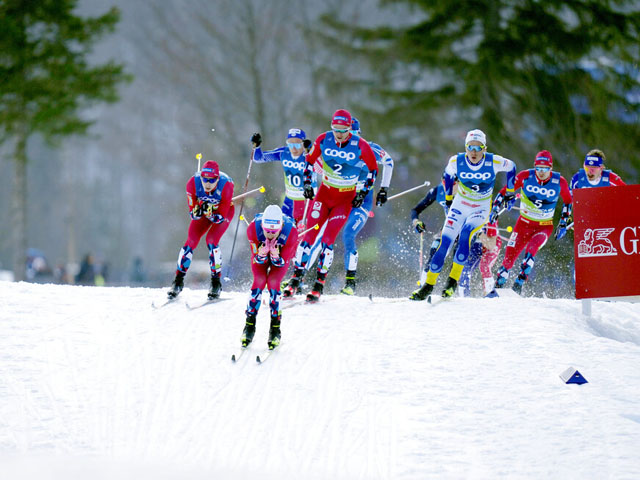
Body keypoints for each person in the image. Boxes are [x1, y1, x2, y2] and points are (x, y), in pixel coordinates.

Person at [282, 108, 378, 302]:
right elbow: (308, 162)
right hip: (324, 195)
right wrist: (307, 184)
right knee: (308, 237)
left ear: (350, 129)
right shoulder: (323, 139)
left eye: (343, 130)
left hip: (344, 200)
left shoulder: (361, 145)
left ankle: (319, 284)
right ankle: (295, 279)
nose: (339, 134)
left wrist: (363, 192)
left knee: (327, 240)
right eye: (335, 129)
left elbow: (373, 170)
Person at [410, 129, 517, 300]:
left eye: (478, 148)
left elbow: (511, 166)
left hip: (480, 208)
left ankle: (452, 282)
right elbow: (447, 174)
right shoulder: (456, 161)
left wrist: (510, 192)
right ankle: (428, 286)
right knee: (444, 242)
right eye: (470, 147)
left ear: (484, 148)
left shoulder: (493, 161)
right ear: (465, 147)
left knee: (466, 234)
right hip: (460, 204)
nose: (474, 152)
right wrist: (449, 198)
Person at [314, 116, 395, 296]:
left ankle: (351, 283)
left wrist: (383, 190)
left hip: (361, 202)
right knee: (320, 233)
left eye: (353, 134)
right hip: (340, 199)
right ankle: (306, 278)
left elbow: (389, 161)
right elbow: (319, 166)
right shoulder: (337, 147)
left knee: (348, 234)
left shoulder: (369, 148)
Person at [486, 150, 572, 296]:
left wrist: (564, 222)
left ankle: (519, 284)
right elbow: (504, 190)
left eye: (545, 169)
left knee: (530, 251)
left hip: (543, 227)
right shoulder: (526, 176)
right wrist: (495, 208)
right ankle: (498, 287)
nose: (541, 172)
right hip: (523, 224)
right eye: (538, 168)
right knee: (508, 259)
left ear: (550, 168)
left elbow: (568, 201)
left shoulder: (559, 181)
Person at [167, 160, 235, 300]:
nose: (208, 183)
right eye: (205, 179)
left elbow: (220, 216)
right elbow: (192, 212)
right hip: (205, 212)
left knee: (211, 240)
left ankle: (216, 283)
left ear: (217, 179)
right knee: (191, 240)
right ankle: (178, 281)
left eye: (211, 180)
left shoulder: (226, 185)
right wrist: (197, 211)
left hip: (224, 212)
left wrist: (210, 212)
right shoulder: (192, 183)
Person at [241, 205, 299, 350]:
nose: (270, 235)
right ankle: (249, 326)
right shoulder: (253, 228)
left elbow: (283, 262)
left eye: (274, 232)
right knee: (259, 281)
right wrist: (261, 254)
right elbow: (256, 260)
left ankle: (275, 329)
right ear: (262, 225)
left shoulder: (291, 231)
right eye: (267, 231)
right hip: (261, 255)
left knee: (273, 283)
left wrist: (274, 255)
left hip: (279, 258)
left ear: (281, 227)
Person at [250, 128, 318, 226]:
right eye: (290, 144)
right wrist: (257, 146)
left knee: (304, 230)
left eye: (297, 144)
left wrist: (311, 153)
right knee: (284, 227)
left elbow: (321, 169)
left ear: (304, 144)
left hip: (307, 199)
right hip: (290, 198)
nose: (293, 148)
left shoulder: (308, 155)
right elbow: (258, 158)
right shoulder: (284, 152)